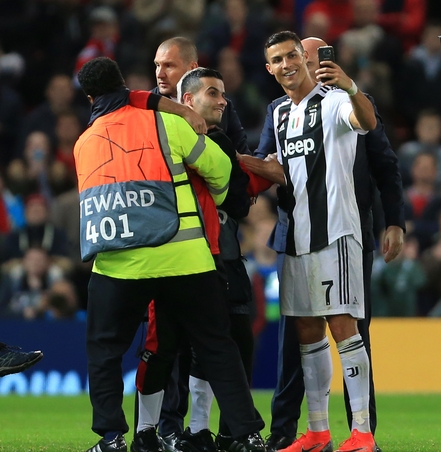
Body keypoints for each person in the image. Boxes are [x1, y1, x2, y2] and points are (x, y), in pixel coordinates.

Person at [75, 57, 267, 452]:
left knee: (104, 350)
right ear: (125, 84)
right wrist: (216, 198)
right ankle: (247, 434)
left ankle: (112, 438)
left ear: (90, 98)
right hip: (185, 258)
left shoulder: (84, 143)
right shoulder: (168, 122)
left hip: (118, 266)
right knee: (216, 345)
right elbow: (220, 169)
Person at [247, 36, 405, 452]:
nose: (286, 64)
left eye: (292, 56)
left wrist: (350, 86)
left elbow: (367, 123)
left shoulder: (334, 100)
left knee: (344, 327)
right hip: (296, 238)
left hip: (337, 233)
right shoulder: (278, 113)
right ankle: (317, 432)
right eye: (277, 60)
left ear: (305, 58)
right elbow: (274, 170)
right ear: (269, 68)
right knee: (306, 332)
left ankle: (362, 433)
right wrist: (232, 157)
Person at [149, 36, 256, 452]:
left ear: (190, 72)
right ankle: (170, 430)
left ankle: (220, 432)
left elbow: (240, 191)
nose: (161, 73)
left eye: (169, 66)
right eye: (157, 65)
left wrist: (230, 163)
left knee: (228, 340)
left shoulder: (222, 123)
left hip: (220, 247)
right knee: (170, 347)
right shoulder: (149, 116)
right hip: (168, 250)